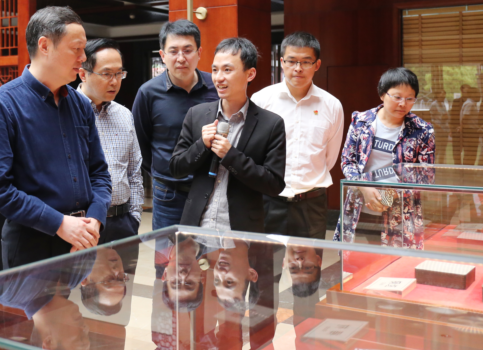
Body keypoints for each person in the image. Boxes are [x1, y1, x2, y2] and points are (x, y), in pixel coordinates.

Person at [0, 6, 111, 269]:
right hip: (32, 240)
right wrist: (59, 223)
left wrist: (95, 219)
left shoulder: (80, 104)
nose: (83, 57)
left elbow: (99, 172)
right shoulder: (2, 105)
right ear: (45, 46)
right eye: (76, 49)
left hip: (83, 236)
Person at [170, 37, 286, 233]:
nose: (218, 78)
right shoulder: (196, 115)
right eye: (215, 70)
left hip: (241, 230)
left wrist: (231, 156)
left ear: (250, 74)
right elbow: (175, 168)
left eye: (227, 70)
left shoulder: (271, 124)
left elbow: (274, 185)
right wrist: (201, 145)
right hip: (197, 226)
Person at [251, 32, 344, 239]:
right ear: (281, 62)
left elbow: (329, 157)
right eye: (292, 61)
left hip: (311, 204)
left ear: (317, 65)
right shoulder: (261, 100)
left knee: (310, 261)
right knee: (265, 259)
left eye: (306, 62)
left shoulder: (331, 105)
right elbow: (254, 152)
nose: (298, 68)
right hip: (268, 201)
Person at [334, 67, 435, 248]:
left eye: (409, 98)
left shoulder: (422, 130)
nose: (403, 104)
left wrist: (388, 196)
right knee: (356, 260)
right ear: (382, 94)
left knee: (395, 261)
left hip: (400, 211)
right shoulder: (361, 121)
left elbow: (426, 176)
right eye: (397, 97)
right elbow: (347, 161)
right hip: (360, 205)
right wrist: (365, 188)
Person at [133, 20, 218, 230]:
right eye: (173, 51)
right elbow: (140, 144)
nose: (181, 58)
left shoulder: (216, 87)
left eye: (188, 50)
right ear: (163, 55)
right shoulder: (148, 92)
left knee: (209, 249)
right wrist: (164, 172)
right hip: (168, 192)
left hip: (211, 188)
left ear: (199, 53)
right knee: (169, 250)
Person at [78, 38, 144, 244]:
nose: (115, 81)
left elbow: (134, 172)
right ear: (83, 74)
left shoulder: (124, 115)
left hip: (122, 223)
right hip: (82, 226)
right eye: (107, 74)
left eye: (119, 74)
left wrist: (134, 218)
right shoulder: (66, 111)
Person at [461, 86, 480, 165]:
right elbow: (465, 118)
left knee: (471, 154)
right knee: (470, 154)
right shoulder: (470, 104)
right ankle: (467, 170)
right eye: (478, 94)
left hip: (471, 131)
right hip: (470, 132)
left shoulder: (472, 104)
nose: (480, 96)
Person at [429, 88, 449, 164]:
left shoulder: (443, 104)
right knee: (437, 148)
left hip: (444, 129)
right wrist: (437, 125)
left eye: (444, 96)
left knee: (443, 148)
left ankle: (441, 164)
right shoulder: (434, 105)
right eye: (442, 96)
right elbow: (431, 118)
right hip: (438, 129)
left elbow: (445, 115)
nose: (443, 98)